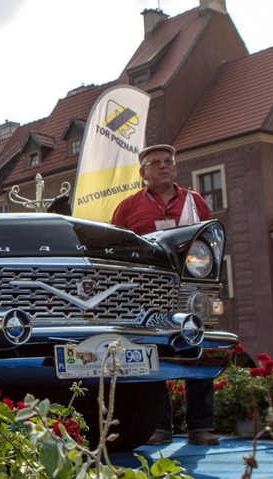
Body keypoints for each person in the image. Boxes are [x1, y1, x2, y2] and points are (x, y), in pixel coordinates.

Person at [111, 144, 220, 446]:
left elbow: (211, 242)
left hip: (192, 290)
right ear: (142, 172)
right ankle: (159, 427)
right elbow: (116, 251)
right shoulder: (128, 207)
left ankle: (201, 426)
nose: (163, 166)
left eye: (168, 161)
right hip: (148, 293)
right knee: (154, 353)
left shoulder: (195, 202)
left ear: (175, 167)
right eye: (155, 163)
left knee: (198, 350)